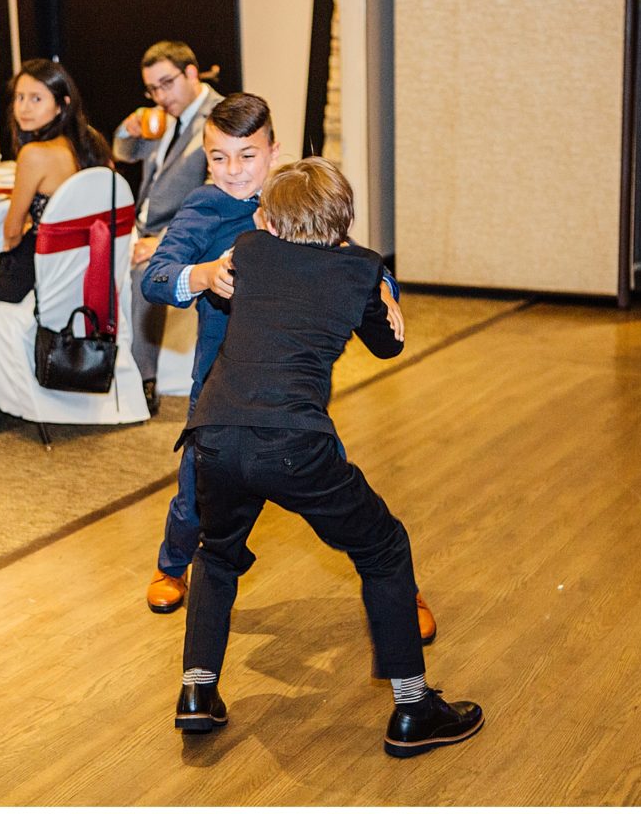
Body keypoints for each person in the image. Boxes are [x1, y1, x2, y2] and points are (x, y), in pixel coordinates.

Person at [174, 157, 483, 759]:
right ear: (344, 220)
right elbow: (388, 345)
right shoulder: (361, 270)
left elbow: (261, 297)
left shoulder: (247, 249)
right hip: (292, 442)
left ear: (270, 216)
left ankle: (196, 693)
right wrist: (385, 288)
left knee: (218, 553)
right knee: (383, 546)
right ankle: (414, 706)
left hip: (212, 433)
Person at [142, 97, 438, 641]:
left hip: (294, 390)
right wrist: (203, 275)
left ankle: (397, 588)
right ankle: (171, 564)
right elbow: (154, 276)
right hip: (221, 385)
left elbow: (354, 256)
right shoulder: (201, 210)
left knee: (336, 483)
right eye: (218, 158)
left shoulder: (294, 201)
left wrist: (385, 290)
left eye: (246, 156)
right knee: (195, 488)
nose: (233, 171)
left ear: (274, 151)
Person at [113, 42, 223, 410]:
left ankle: (144, 379)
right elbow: (123, 154)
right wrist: (129, 130)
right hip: (139, 220)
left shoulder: (218, 118)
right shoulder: (161, 117)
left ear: (191, 73)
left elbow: (214, 193)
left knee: (146, 268)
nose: (160, 95)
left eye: (166, 84)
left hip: (184, 230)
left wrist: (163, 239)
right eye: (152, 89)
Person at [0, 58, 111, 304]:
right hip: (87, 263)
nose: (24, 108)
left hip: (46, 267)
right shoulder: (92, 143)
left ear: (62, 105)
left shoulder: (34, 154)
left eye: (36, 98)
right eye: (19, 97)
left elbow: (12, 231)